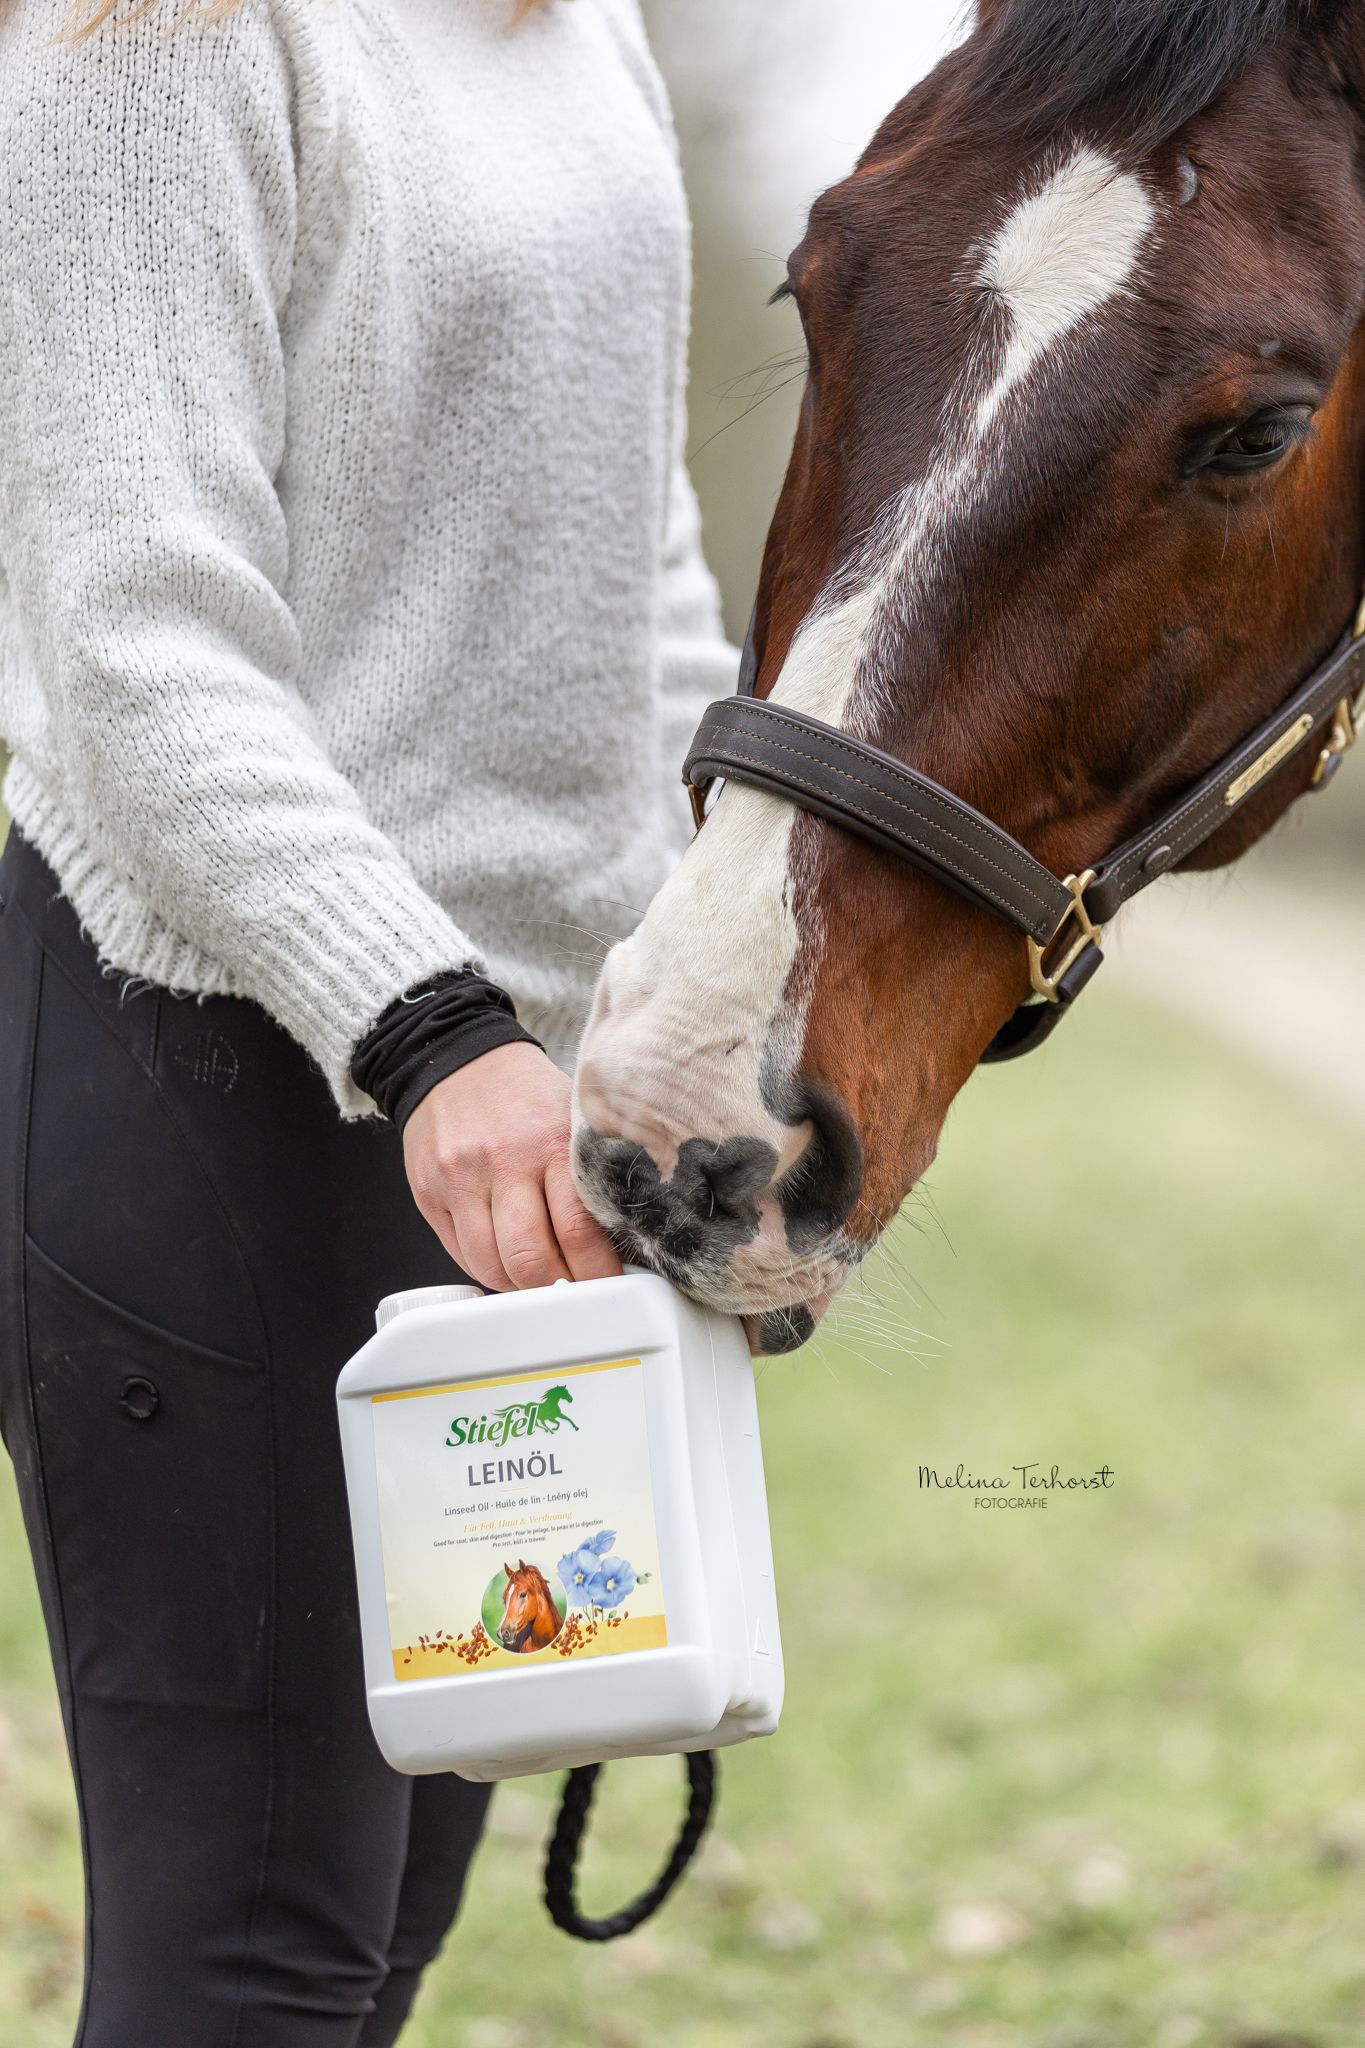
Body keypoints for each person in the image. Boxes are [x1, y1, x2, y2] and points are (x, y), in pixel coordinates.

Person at [0, 0, 735, 2039]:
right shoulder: (147, 42)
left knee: (380, 1919)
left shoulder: (581, 30)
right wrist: (424, 1030)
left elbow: (637, 562)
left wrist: (695, 1009)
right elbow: (135, 626)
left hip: (515, 1098)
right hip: (211, 1050)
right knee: (256, 1947)